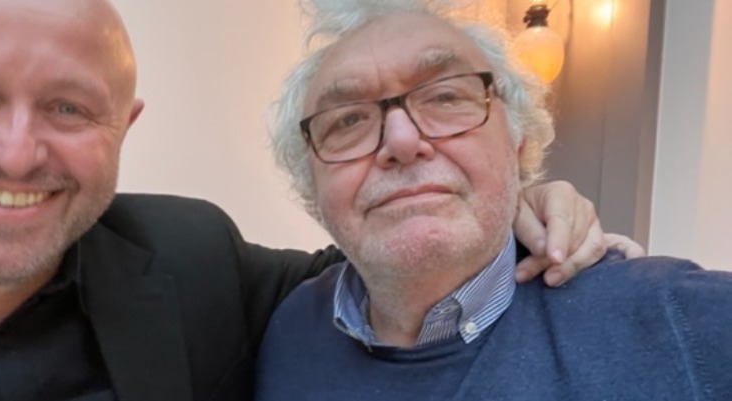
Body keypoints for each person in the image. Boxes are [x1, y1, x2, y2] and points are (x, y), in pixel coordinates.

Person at [0, 0, 639, 400]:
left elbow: (390, 257)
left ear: (124, 125)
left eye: (69, 108)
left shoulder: (190, 259)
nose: (15, 152)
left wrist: (518, 204)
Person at [255, 1, 732, 400]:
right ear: (311, 185)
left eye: (445, 97)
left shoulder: (682, 318)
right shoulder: (288, 329)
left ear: (518, 144)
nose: (400, 141)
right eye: (347, 121)